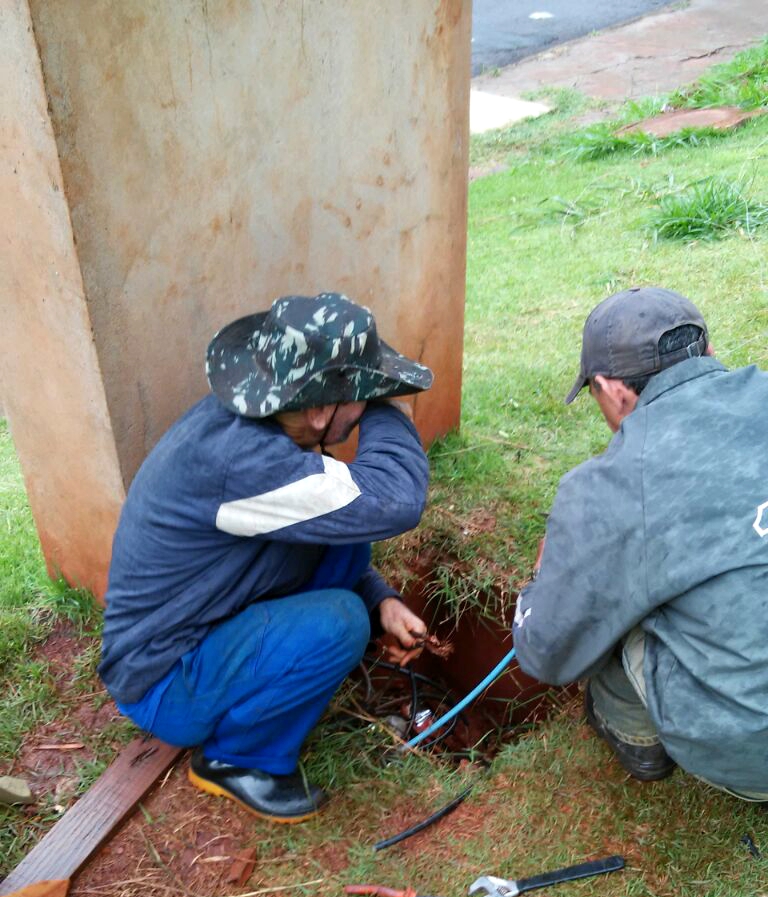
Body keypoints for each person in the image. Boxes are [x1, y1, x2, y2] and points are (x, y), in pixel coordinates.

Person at [99, 292, 432, 822]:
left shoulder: (265, 432)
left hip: (202, 623)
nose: (368, 405)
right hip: (164, 680)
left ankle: (272, 679)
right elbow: (396, 501)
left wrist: (379, 600)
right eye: (363, 395)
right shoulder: (241, 463)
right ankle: (237, 760)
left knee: (345, 533)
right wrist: (392, 412)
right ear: (320, 410)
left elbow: (350, 516)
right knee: (339, 623)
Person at [512, 285, 768, 801]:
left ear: (611, 389)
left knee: (618, 607)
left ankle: (638, 737)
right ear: (709, 353)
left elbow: (545, 652)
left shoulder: (610, 485)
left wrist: (546, 581)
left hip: (754, 749)